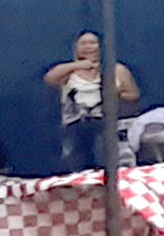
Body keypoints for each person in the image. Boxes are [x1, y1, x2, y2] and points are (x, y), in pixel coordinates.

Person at [45, 31, 139, 171]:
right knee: (77, 165)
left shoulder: (117, 69)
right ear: (76, 47)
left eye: (92, 43)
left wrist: (116, 93)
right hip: (75, 127)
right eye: (83, 43)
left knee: (106, 161)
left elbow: (133, 95)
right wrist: (78, 65)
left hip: (106, 125)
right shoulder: (68, 72)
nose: (88, 47)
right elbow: (50, 79)